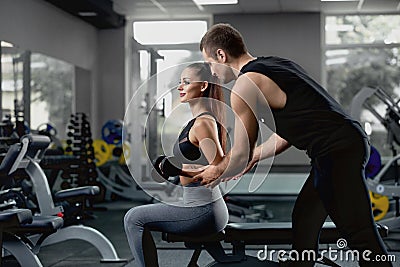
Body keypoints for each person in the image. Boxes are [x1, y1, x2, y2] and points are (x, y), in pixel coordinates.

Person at [193, 23, 392, 266]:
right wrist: (256, 156)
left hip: (337, 150)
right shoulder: (278, 65)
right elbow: (290, 131)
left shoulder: (245, 86)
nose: (211, 72)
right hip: (340, 146)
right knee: (305, 218)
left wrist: (217, 169)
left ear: (221, 55)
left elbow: (240, 152)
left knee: (359, 232)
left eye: (210, 63)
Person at [124, 62, 229, 267]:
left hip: (203, 209)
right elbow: (203, 164)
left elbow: (220, 169)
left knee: (133, 217)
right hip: (197, 204)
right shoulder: (195, 121)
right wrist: (173, 168)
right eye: (180, 82)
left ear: (203, 86)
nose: (180, 87)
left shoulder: (203, 123)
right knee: (143, 212)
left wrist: (180, 169)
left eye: (187, 82)